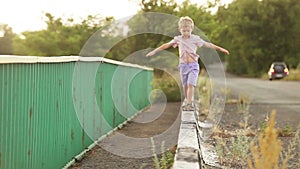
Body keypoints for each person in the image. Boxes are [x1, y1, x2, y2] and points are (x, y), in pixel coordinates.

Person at [146, 16, 229, 111]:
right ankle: (188, 100)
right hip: (183, 66)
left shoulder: (195, 39)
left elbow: (208, 44)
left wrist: (220, 49)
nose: (186, 33)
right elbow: (166, 45)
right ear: (180, 30)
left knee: (191, 84)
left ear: (191, 29)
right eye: (184, 31)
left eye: (188, 31)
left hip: (193, 66)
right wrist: (154, 51)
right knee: (185, 86)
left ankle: (189, 104)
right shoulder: (178, 39)